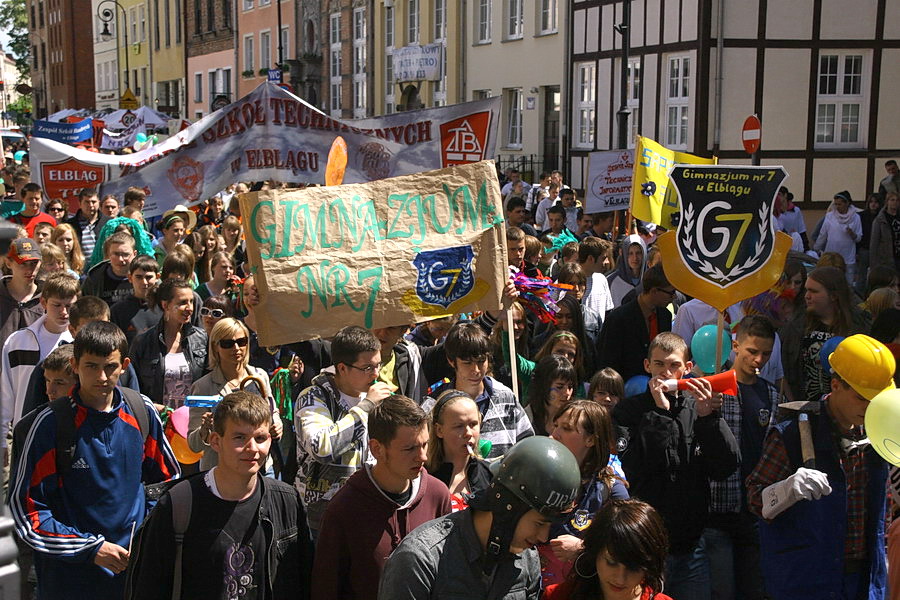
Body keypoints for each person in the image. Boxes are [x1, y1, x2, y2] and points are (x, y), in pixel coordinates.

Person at [9, 321, 179, 600]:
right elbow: (27, 512)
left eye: (110, 366)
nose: (101, 376)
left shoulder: (141, 411)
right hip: (68, 582)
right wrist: (89, 549)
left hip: (132, 578)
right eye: (91, 366)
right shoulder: (49, 425)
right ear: (75, 366)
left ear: (124, 365)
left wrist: (143, 535)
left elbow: (166, 482)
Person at [124, 390, 313, 600]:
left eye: (260, 438)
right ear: (215, 441)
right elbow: (149, 586)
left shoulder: (287, 501)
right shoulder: (178, 505)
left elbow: (303, 580)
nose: (252, 448)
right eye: (239, 437)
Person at [746, 334, 896, 599]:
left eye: (877, 399)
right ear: (837, 385)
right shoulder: (791, 435)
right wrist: (786, 489)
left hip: (863, 581)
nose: (870, 407)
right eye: (862, 398)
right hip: (806, 582)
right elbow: (755, 499)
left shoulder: (880, 435)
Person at [612, 332, 739, 600]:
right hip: (645, 548)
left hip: (690, 545)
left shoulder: (697, 408)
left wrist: (709, 420)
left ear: (687, 369)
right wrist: (660, 412)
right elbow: (633, 466)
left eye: (673, 365)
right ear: (647, 366)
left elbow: (726, 466)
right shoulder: (628, 411)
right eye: (659, 364)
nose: (666, 372)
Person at [378, 436, 582, 600]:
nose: (543, 537)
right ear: (508, 507)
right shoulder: (420, 559)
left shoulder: (527, 559)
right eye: (539, 523)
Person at [312, 395, 451, 600]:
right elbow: (326, 589)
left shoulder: (437, 495)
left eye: (424, 445)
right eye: (409, 448)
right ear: (377, 449)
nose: (422, 457)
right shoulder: (344, 509)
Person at [702, 315, 781, 600]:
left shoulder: (770, 394)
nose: (758, 359)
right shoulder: (713, 387)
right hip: (717, 508)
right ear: (735, 345)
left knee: (754, 589)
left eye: (766, 354)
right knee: (722, 590)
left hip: (755, 511)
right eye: (752, 351)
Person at [294, 325, 393, 537]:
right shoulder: (313, 397)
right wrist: (365, 408)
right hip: (322, 517)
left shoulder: (376, 397)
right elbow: (322, 447)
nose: (375, 374)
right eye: (367, 368)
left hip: (369, 510)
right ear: (342, 368)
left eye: (378, 365)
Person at [543, 400, 630, 587]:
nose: (554, 435)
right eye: (555, 425)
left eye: (566, 428)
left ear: (591, 440)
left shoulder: (610, 489)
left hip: (585, 587)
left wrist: (583, 549)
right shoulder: (536, 476)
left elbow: (629, 545)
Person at [424, 322, 534, 459]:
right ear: (452, 361)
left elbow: (527, 443)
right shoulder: (433, 406)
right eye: (467, 363)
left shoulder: (505, 397)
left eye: (481, 361)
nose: (476, 370)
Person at [0, 272, 78, 461]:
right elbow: (6, 393)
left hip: (70, 435)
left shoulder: (79, 343)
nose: (64, 312)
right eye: (57, 305)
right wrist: (3, 439)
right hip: (27, 432)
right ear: (43, 303)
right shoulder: (18, 341)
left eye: (69, 306)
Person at [187, 318, 282, 470]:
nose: (236, 348)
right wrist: (204, 430)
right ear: (215, 347)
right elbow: (193, 445)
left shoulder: (260, 376)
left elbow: (272, 410)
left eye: (242, 341)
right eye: (227, 343)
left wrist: (277, 424)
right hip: (222, 472)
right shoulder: (203, 386)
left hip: (261, 466)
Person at [543, 499, 673, 600]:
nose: (620, 579)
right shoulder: (559, 596)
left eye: (633, 568)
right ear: (594, 553)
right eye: (611, 563)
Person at [780, 266, 871, 403]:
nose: (807, 296)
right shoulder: (796, 327)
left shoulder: (860, 328)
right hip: (804, 408)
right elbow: (784, 371)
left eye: (814, 291)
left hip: (845, 409)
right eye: (806, 290)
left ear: (834, 296)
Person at [129, 278, 208, 410]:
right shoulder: (144, 342)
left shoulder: (201, 339)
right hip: (158, 419)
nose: (189, 308)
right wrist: (151, 407)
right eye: (183, 303)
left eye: (191, 302)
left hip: (194, 420)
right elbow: (132, 386)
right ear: (166, 305)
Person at [597, 264, 675, 382]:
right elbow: (607, 361)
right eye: (671, 292)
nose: (674, 297)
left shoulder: (665, 316)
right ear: (654, 291)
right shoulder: (619, 319)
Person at [426, 389, 493, 512]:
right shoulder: (424, 478)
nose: (468, 433)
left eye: (473, 424)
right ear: (439, 430)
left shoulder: (491, 475)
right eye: (458, 426)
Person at [110, 254, 162, 345]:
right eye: (139, 277)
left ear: (157, 277)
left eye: (149, 277)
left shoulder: (165, 306)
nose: (144, 282)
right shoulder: (118, 311)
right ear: (130, 278)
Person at [0, 237, 44, 343]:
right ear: (8, 263)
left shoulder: (48, 296)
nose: (29, 270)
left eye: (34, 263)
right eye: (23, 263)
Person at [815, 191, 863, 285]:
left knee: (847, 284)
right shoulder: (830, 216)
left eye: (840, 204)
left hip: (848, 257)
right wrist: (817, 247)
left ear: (847, 203)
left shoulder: (856, 217)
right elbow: (823, 234)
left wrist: (852, 234)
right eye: (836, 204)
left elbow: (858, 238)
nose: (837, 207)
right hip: (832, 256)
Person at [82, 231, 137, 308]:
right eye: (116, 254)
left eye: (125, 254)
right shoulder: (95, 278)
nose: (120, 259)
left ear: (134, 254)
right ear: (108, 254)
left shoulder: (145, 275)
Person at [525, 355, 577, 435]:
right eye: (560, 387)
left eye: (570, 387)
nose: (567, 393)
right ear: (543, 386)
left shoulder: (574, 420)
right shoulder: (525, 418)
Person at [65, 187, 109, 265]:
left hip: (102, 268)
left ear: (99, 202)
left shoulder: (107, 223)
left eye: (93, 202)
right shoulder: (70, 224)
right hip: (78, 269)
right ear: (80, 203)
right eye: (87, 202)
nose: (91, 205)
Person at [578, 237, 614, 326]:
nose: (607, 262)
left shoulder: (602, 279)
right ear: (590, 259)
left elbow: (608, 312)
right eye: (604, 258)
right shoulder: (567, 280)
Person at [606, 235, 647, 308]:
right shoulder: (610, 281)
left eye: (638, 253)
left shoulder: (651, 279)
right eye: (630, 253)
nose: (635, 258)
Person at [870, 191, 900, 273]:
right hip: (886, 258)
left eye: (897, 200)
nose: (895, 202)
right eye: (892, 200)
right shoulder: (880, 220)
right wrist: (873, 264)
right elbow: (874, 243)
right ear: (887, 202)